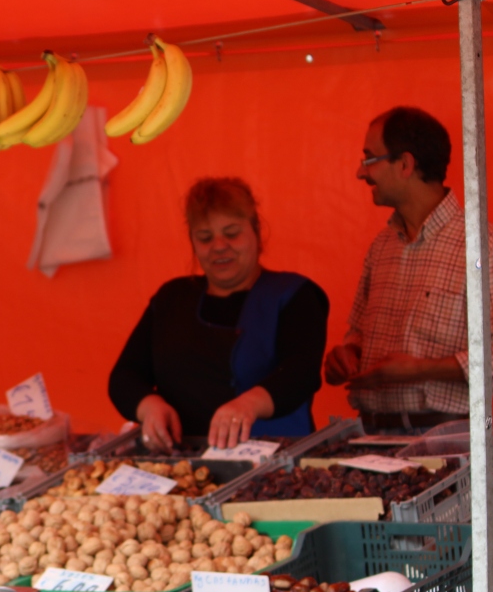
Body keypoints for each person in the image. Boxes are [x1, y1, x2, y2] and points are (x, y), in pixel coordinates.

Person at [108, 178, 329, 450]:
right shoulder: (171, 297)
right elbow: (124, 376)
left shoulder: (293, 294)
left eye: (232, 233)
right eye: (205, 237)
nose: (219, 246)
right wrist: (148, 406)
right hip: (180, 459)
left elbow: (301, 374)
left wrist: (248, 405)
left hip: (275, 458)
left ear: (256, 231)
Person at [323, 107, 493, 431]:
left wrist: (420, 370)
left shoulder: (484, 247)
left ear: (405, 164)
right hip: (371, 434)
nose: (361, 172)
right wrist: (347, 355)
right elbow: (358, 334)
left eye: (369, 159)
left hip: (445, 440)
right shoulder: (382, 246)